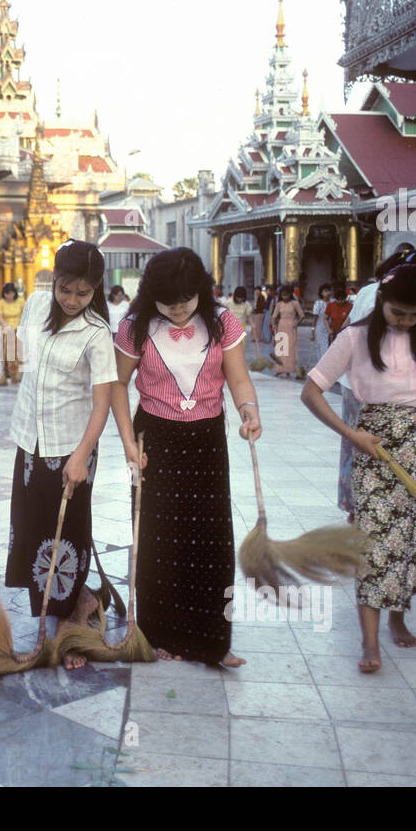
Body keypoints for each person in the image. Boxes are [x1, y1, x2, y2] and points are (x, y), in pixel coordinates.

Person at [301, 259, 416, 673]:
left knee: (413, 538)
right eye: (397, 313)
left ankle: (398, 617)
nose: (407, 322)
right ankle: (369, 643)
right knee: (373, 543)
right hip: (376, 446)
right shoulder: (354, 337)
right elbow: (311, 392)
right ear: (381, 301)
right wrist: (352, 435)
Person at [110, 248, 258, 667]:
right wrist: (128, 442)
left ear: (202, 291)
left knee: (212, 537)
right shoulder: (135, 327)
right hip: (155, 437)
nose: (178, 310)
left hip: (207, 438)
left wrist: (249, 412)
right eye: (167, 302)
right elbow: (118, 384)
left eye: (186, 300)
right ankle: (157, 634)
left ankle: (213, 641)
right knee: (158, 536)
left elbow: (239, 377)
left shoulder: (222, 321)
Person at [7, 240, 117, 670]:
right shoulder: (35, 305)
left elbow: (102, 402)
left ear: (96, 290)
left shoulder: (96, 333)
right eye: (66, 289)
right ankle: (77, 605)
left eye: (83, 293)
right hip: (30, 442)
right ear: (54, 281)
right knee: (34, 533)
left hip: (73, 448)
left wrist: (81, 456)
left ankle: (66, 630)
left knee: (64, 538)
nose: (72, 300)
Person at [336, 247, 416, 520]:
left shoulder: (371, 292)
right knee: (365, 444)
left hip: (372, 383)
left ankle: (367, 504)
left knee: (371, 445)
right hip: (364, 383)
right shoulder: (377, 295)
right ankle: (360, 505)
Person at [270, 285, 304, 378]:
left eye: (286, 295)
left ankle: (288, 371)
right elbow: (274, 316)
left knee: (290, 348)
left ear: (290, 294)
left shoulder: (295, 303)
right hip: (281, 326)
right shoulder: (279, 304)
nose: (285, 297)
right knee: (280, 348)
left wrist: (296, 323)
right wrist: (273, 325)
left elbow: (302, 315)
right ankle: (279, 369)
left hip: (291, 326)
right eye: (283, 295)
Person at [0, 282, 26, 384]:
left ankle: (18, 376)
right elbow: (0, 317)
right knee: (8, 355)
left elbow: (24, 314)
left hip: (19, 330)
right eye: (6, 293)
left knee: (18, 354)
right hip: (7, 331)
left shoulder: (21, 301)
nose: (9, 296)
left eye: (11, 293)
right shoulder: (0, 303)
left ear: (15, 293)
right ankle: (8, 374)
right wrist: (6, 326)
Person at [310, 284, 332, 366]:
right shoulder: (318, 303)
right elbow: (315, 318)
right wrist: (312, 331)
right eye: (325, 291)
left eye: (329, 291)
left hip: (331, 328)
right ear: (321, 293)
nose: (328, 293)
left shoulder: (333, 302)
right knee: (322, 349)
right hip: (320, 329)